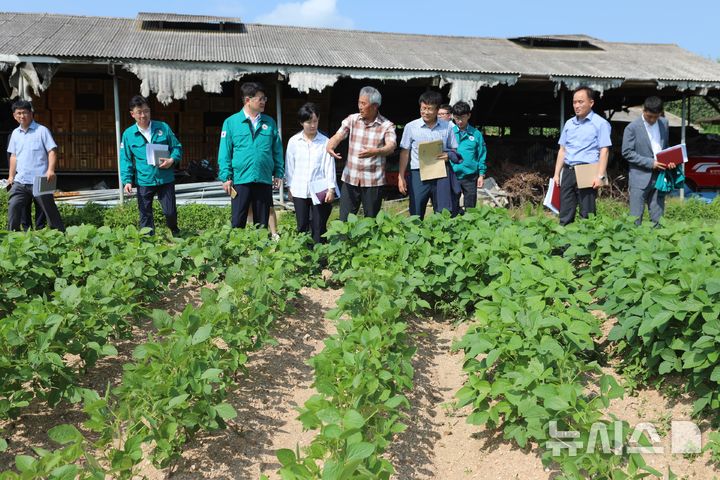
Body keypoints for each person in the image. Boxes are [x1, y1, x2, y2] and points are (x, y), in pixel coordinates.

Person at [219, 81, 283, 229]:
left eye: (264, 98)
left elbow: (277, 150)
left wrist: (278, 173)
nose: (263, 102)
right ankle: (237, 251)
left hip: (263, 178)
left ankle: (260, 251)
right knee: (238, 220)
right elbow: (225, 152)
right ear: (248, 100)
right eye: (260, 99)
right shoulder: (231, 122)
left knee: (261, 222)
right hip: (241, 179)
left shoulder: (270, 122)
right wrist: (226, 177)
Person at [326, 86, 396, 221]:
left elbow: (391, 146)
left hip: (373, 181)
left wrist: (377, 151)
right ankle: (343, 243)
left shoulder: (386, 125)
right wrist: (331, 145)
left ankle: (368, 242)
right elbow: (339, 134)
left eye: (363, 104)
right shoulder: (353, 119)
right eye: (359, 102)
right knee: (344, 220)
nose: (360, 107)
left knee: (371, 220)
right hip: (350, 178)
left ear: (375, 106)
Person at [120, 95, 183, 236]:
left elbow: (177, 147)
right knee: (145, 213)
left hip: (165, 178)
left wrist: (172, 160)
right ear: (132, 114)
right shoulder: (128, 134)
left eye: (146, 111)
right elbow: (125, 159)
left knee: (170, 211)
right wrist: (127, 180)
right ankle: (148, 241)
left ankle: (174, 230)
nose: (144, 115)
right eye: (139, 112)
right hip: (144, 180)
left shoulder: (163, 127)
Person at [552, 87, 611, 226]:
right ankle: (564, 247)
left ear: (591, 103)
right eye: (574, 102)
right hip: (568, 170)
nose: (577, 106)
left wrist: (600, 176)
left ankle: (586, 246)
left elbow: (604, 150)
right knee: (565, 212)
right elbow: (562, 150)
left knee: (587, 213)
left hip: (588, 170)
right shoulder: (569, 123)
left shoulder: (600, 123)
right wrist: (556, 174)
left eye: (580, 102)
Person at [398, 90, 461, 219]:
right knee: (416, 210)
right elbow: (405, 152)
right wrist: (401, 176)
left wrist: (448, 156)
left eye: (429, 109)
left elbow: (454, 149)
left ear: (437, 110)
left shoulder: (447, 127)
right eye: (423, 108)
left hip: (440, 173)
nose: (425, 112)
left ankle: (441, 237)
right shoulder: (411, 127)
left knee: (442, 212)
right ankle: (415, 238)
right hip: (418, 173)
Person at [6, 99, 65, 232]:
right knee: (13, 206)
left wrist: (50, 170)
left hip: (41, 179)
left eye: (24, 113)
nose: (22, 116)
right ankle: (11, 236)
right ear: (14, 116)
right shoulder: (15, 134)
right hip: (21, 180)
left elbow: (52, 151)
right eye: (18, 113)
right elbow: (13, 156)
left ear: (31, 113)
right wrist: (11, 176)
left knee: (49, 210)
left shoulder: (42, 131)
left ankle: (60, 235)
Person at [285, 103, 337, 244]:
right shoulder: (294, 142)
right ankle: (304, 255)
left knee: (318, 225)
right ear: (301, 122)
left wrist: (331, 189)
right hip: (299, 189)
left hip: (319, 189)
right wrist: (289, 188)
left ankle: (320, 257)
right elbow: (290, 167)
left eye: (315, 121)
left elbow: (329, 166)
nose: (313, 125)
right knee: (302, 224)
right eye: (309, 122)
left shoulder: (325, 141)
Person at [622, 96, 673, 226]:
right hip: (639, 178)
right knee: (635, 218)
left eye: (655, 117)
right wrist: (651, 163)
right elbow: (627, 153)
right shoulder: (632, 128)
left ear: (660, 113)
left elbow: (664, 147)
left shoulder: (664, 123)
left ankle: (658, 245)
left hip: (660, 176)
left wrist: (670, 161)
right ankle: (634, 245)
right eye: (649, 116)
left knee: (658, 218)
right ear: (644, 110)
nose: (652, 120)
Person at [451, 101, 487, 210]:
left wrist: (481, 174)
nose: (460, 121)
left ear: (469, 115)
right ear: (453, 117)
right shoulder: (450, 132)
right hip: (453, 175)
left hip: (470, 176)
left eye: (463, 117)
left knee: (470, 208)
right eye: (457, 118)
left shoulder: (476, 134)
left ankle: (469, 226)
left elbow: (482, 155)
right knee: (451, 207)